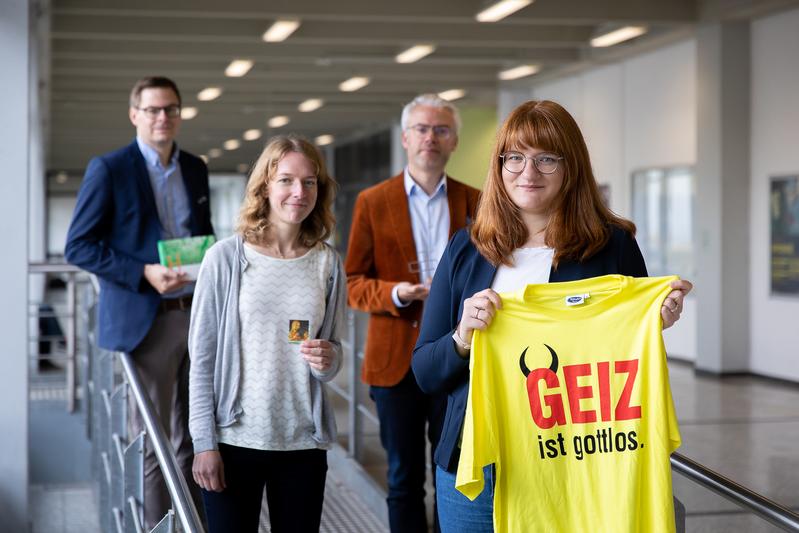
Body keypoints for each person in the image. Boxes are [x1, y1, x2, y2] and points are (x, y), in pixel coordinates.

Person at [411, 100, 693, 532]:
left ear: (571, 166)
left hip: (576, 461)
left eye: (547, 158)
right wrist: (462, 337)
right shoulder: (467, 249)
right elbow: (426, 372)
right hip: (478, 465)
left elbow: (625, 351)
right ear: (499, 164)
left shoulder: (612, 247)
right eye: (516, 158)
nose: (528, 172)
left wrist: (655, 318)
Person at [64, 76, 213, 529]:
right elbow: (79, 247)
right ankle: (155, 525)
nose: (162, 117)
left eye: (170, 109)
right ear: (135, 115)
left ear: (180, 114)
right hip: (146, 320)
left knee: (197, 434)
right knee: (153, 442)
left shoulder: (193, 167)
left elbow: (199, 234)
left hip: (196, 313)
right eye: (152, 110)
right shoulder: (109, 169)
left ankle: (192, 522)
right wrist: (143, 272)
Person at [188, 135, 345, 533]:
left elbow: (333, 352)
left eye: (309, 182)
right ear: (264, 186)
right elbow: (202, 360)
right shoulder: (225, 258)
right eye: (287, 180)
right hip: (234, 439)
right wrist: (204, 443)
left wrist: (329, 360)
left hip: (302, 442)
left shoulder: (327, 262)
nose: (299, 192)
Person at [345, 94, 481, 532]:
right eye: (421, 129)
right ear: (405, 138)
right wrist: (397, 293)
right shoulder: (372, 200)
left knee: (456, 477)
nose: (431, 138)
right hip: (394, 366)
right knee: (403, 479)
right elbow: (353, 283)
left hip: (458, 360)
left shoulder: (477, 202)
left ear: (455, 140)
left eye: (441, 130)